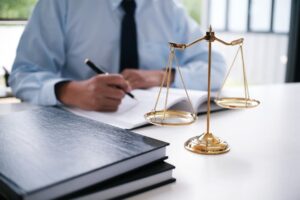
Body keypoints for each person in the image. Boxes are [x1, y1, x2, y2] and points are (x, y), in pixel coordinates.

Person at [9, 0, 226, 111]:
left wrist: (162, 76)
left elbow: (215, 67)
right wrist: (71, 91)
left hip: (157, 132)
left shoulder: (168, 8)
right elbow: (23, 74)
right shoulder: (60, 3)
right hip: (75, 137)